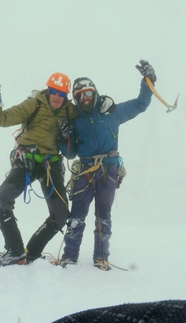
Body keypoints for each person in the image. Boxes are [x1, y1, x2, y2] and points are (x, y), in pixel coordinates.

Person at [56, 60, 157, 271]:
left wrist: (148, 81)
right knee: (77, 215)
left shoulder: (112, 112)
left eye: (89, 93)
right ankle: (69, 256)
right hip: (84, 170)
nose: (85, 98)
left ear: (95, 93)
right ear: (76, 98)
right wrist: (62, 137)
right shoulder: (75, 120)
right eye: (80, 95)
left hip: (108, 170)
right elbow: (71, 152)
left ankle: (101, 257)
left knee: (104, 216)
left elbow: (140, 104)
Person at [0, 71, 78, 268]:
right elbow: (1, 119)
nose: (57, 97)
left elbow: (79, 139)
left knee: (60, 214)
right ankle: (15, 251)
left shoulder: (71, 112)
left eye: (61, 93)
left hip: (50, 165)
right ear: (48, 90)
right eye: (54, 91)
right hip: (27, 161)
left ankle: (31, 252)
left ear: (66, 95)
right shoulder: (34, 104)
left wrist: (71, 137)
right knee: (1, 201)